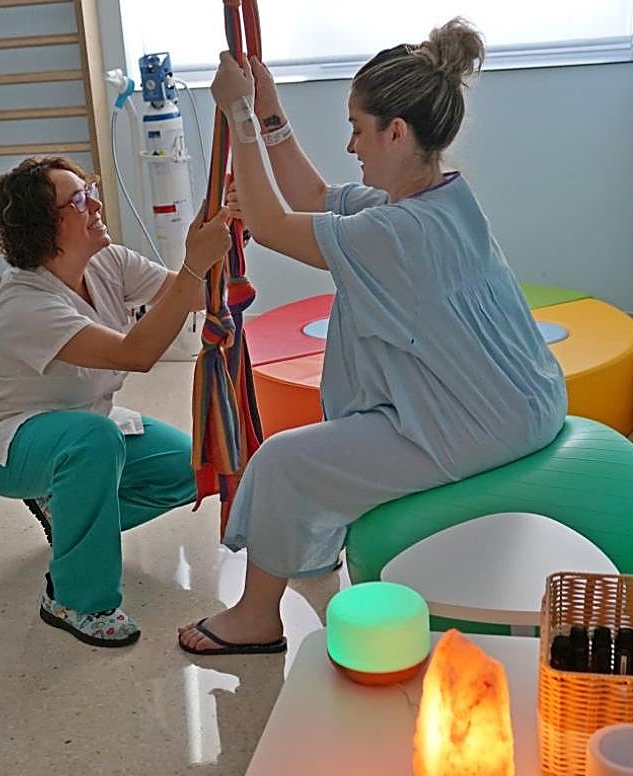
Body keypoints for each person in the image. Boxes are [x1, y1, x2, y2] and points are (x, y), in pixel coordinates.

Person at [178, 19, 568, 655]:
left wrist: (240, 115)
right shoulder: (431, 199)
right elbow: (311, 195)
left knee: (281, 461)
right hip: (522, 395)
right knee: (326, 437)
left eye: (358, 128)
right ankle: (298, 564)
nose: (351, 144)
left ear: (397, 132)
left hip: (493, 419)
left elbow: (276, 224)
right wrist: (270, 113)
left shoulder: (400, 234)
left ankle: (256, 618)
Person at [0, 156, 232, 648]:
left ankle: (70, 513)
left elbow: (184, 295)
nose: (96, 204)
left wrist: (218, 240)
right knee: (93, 442)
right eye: (78, 200)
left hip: (84, 427)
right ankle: (77, 598)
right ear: (44, 227)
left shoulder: (108, 262)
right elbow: (137, 353)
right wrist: (195, 261)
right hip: (5, 441)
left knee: (192, 468)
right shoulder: (25, 306)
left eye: (90, 190)